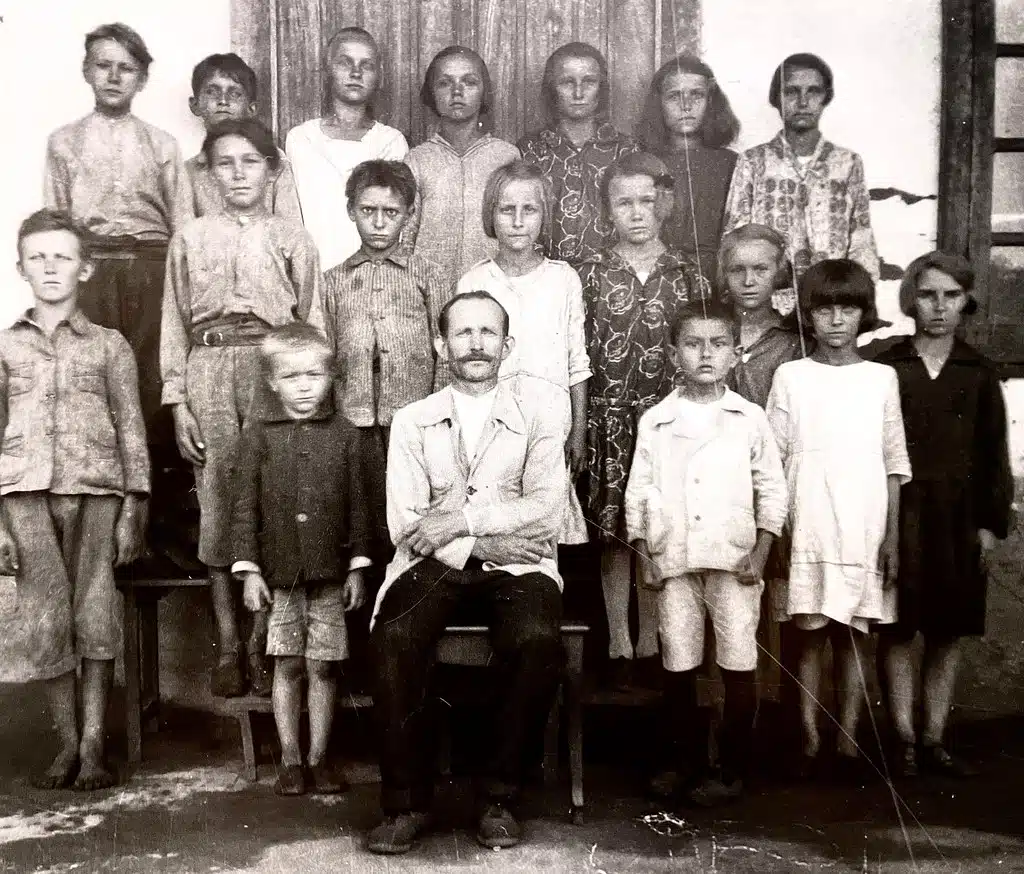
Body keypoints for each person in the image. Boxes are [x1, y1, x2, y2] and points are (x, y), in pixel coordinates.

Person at [366, 291, 568, 855]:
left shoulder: (540, 414)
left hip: (521, 566)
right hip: (434, 565)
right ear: (440, 344)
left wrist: (460, 521)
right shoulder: (413, 421)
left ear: (507, 345)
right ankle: (406, 802)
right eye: (462, 332)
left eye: (488, 332)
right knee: (395, 635)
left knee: (533, 639)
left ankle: (499, 797)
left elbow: (547, 507)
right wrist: (486, 540)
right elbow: (407, 523)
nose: (476, 343)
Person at [161, 119, 324, 698]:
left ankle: (263, 640)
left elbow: (312, 324)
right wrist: (177, 400)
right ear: (208, 171)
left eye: (250, 161)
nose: (237, 173)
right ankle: (228, 643)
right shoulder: (190, 238)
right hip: (208, 370)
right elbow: (173, 324)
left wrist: (304, 393)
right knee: (217, 502)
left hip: (271, 366)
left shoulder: (294, 237)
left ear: (272, 169)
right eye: (224, 162)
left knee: (272, 499)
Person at [0, 209, 149, 790]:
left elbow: (131, 429)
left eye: (62, 256)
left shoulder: (109, 347)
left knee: (95, 614)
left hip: (96, 492)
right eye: (38, 257)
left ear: (85, 267)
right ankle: (64, 743)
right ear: (20, 268)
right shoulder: (5, 348)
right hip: (25, 497)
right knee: (46, 621)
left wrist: (134, 505)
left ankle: (93, 746)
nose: (50, 267)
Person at [627, 298, 787, 805]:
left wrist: (760, 553)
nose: (705, 355)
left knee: (739, 660)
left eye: (718, 344)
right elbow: (639, 489)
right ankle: (684, 760)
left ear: (736, 353)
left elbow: (773, 490)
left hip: (735, 560)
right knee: (679, 661)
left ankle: (732, 768)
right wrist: (643, 551)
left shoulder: (749, 418)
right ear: (674, 353)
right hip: (673, 559)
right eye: (693, 344)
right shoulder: (656, 420)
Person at [43, 23, 191, 537]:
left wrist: (176, 293)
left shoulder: (162, 144)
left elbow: (183, 229)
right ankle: (101, 523)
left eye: (125, 68)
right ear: (87, 70)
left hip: (151, 271)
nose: (113, 76)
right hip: (93, 272)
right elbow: (55, 225)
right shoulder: (63, 143)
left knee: (152, 388)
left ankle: (156, 526)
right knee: (95, 386)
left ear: (142, 79)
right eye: (102, 65)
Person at [766, 259, 910, 778]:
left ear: (863, 314)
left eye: (846, 308)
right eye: (824, 309)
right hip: (808, 519)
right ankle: (808, 737)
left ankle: (848, 739)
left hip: (863, 523)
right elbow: (773, 459)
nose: (835, 320)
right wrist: (776, 527)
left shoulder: (881, 378)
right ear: (809, 315)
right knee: (809, 632)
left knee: (853, 634)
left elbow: (895, 464)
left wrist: (891, 538)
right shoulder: (791, 376)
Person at [874, 253, 1012, 778]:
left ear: (966, 301)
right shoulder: (890, 365)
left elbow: (993, 453)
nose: (938, 307)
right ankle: (902, 739)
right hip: (902, 513)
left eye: (950, 296)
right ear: (912, 298)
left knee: (947, 630)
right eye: (928, 295)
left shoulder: (978, 371)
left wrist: (987, 525)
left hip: (958, 517)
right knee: (899, 629)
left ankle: (934, 737)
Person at [231, 323, 382, 796]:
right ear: (272, 382)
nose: (303, 386)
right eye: (291, 377)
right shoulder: (257, 436)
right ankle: (290, 760)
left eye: (313, 375)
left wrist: (358, 565)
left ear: (331, 377)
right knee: (288, 665)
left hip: (329, 577)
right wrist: (249, 570)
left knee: (322, 666)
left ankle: (319, 758)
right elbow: (243, 507)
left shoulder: (347, 436)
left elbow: (361, 506)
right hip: (279, 577)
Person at [578, 152, 706, 688]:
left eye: (646, 201)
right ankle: (618, 643)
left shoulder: (686, 271)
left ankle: (655, 642)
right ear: (607, 210)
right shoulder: (590, 271)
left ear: (664, 206)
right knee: (613, 532)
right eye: (623, 202)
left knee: (657, 527)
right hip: (610, 418)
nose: (637, 213)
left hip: (666, 422)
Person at [456, 160, 590, 544]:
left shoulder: (563, 278)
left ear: (544, 216)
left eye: (528, 210)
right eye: (506, 210)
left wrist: (578, 433)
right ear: (491, 215)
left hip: (550, 415)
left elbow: (576, 361)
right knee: (494, 512)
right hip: (493, 413)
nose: (517, 221)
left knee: (544, 520)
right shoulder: (475, 280)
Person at [717, 223, 808, 727]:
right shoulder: (711, 334)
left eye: (761, 269)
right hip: (720, 484)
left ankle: (780, 717)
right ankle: (728, 715)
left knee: (778, 593)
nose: (749, 280)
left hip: (774, 482)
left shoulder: (793, 340)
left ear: (780, 274)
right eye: (738, 269)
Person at [723, 53, 879, 307]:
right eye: (792, 92)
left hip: (831, 304)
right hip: (770, 305)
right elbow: (735, 238)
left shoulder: (847, 163)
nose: (803, 102)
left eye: (813, 92)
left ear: (825, 97)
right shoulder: (753, 161)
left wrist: (857, 299)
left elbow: (860, 237)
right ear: (777, 99)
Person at [322, 160, 449, 452]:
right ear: (351, 211)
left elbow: (444, 350)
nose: (379, 223)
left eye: (391, 212)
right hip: (351, 416)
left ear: (409, 214)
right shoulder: (332, 281)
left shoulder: (429, 275)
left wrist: (438, 412)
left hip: (415, 414)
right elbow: (326, 353)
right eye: (368, 211)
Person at [286, 27, 409, 271]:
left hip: (375, 275)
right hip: (313, 275)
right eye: (345, 62)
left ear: (379, 76)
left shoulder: (390, 142)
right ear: (328, 71)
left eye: (367, 65)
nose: (356, 72)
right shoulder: (301, 139)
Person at [404, 46, 520, 292]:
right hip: (429, 293)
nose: (457, 91)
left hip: (492, 292)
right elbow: (405, 238)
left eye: (469, 82)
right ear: (431, 93)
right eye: (445, 83)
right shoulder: (417, 160)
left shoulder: (505, 156)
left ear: (483, 92)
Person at [518, 42, 638, 266]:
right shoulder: (530, 150)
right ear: (552, 89)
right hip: (547, 280)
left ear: (601, 88)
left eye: (589, 82)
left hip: (612, 279)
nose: (578, 92)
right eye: (567, 82)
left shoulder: (626, 150)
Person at [636, 54, 740, 269]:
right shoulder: (644, 163)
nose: (686, 106)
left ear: (711, 102)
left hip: (718, 274)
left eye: (697, 95)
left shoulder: (732, 164)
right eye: (675, 96)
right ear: (659, 104)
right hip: (659, 271)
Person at [185, 53, 302, 220]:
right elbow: (185, 235)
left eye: (235, 94)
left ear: (251, 109)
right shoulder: (188, 172)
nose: (223, 101)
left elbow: (290, 228)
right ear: (195, 105)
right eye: (212, 92)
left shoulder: (274, 162)